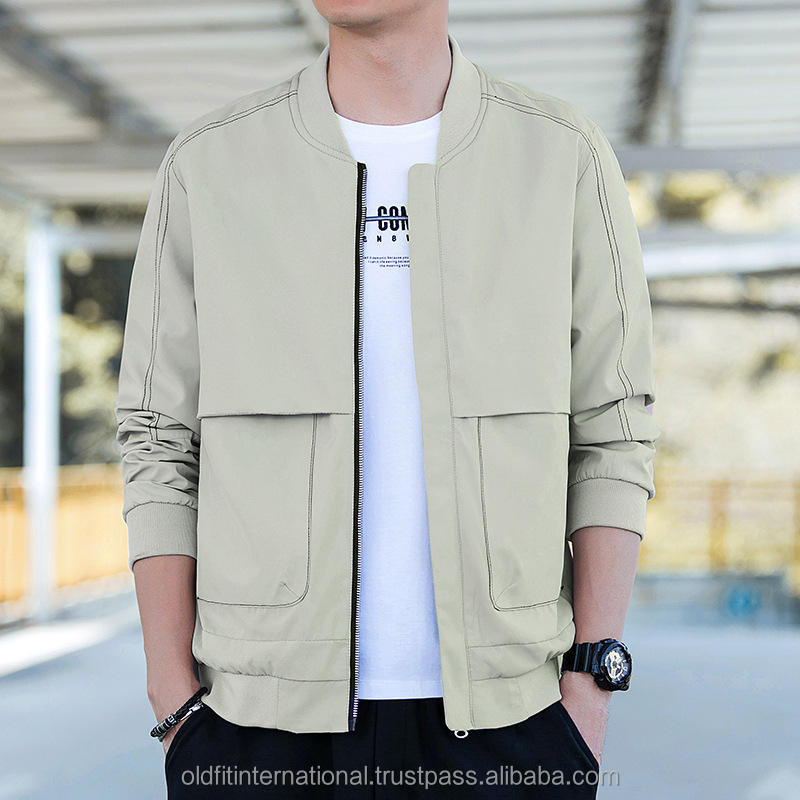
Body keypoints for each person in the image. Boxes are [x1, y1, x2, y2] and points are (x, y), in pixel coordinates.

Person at [114, 2, 659, 797]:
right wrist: (173, 700)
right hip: (251, 729)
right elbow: (157, 434)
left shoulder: (561, 155)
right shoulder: (210, 164)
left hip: (515, 725)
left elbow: (615, 425)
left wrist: (590, 687)